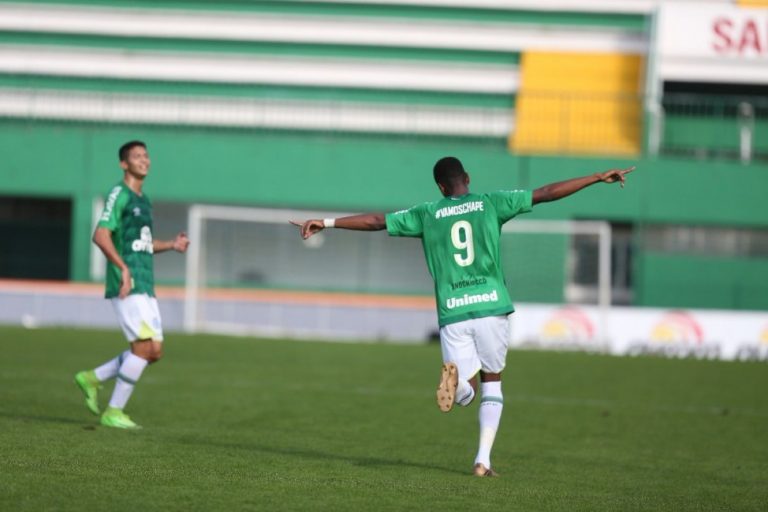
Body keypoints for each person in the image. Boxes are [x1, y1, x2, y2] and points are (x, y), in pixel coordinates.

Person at [291, 156, 634, 476]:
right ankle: (482, 460)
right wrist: (595, 177)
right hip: (492, 307)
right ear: (467, 179)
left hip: (452, 311)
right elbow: (545, 193)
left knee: (466, 388)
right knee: (493, 381)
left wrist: (327, 222)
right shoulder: (492, 203)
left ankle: (460, 390)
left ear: (440, 187)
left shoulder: (427, 213)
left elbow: (378, 221)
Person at [74, 140, 190, 429]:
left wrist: (171, 245)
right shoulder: (120, 193)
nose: (144, 160)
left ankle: (93, 377)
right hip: (127, 281)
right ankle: (113, 411)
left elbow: (143, 244)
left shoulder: (143, 200)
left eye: (146, 155)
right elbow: (101, 235)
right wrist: (123, 268)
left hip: (145, 282)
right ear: (124, 164)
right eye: (137, 156)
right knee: (142, 349)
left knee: (154, 351)